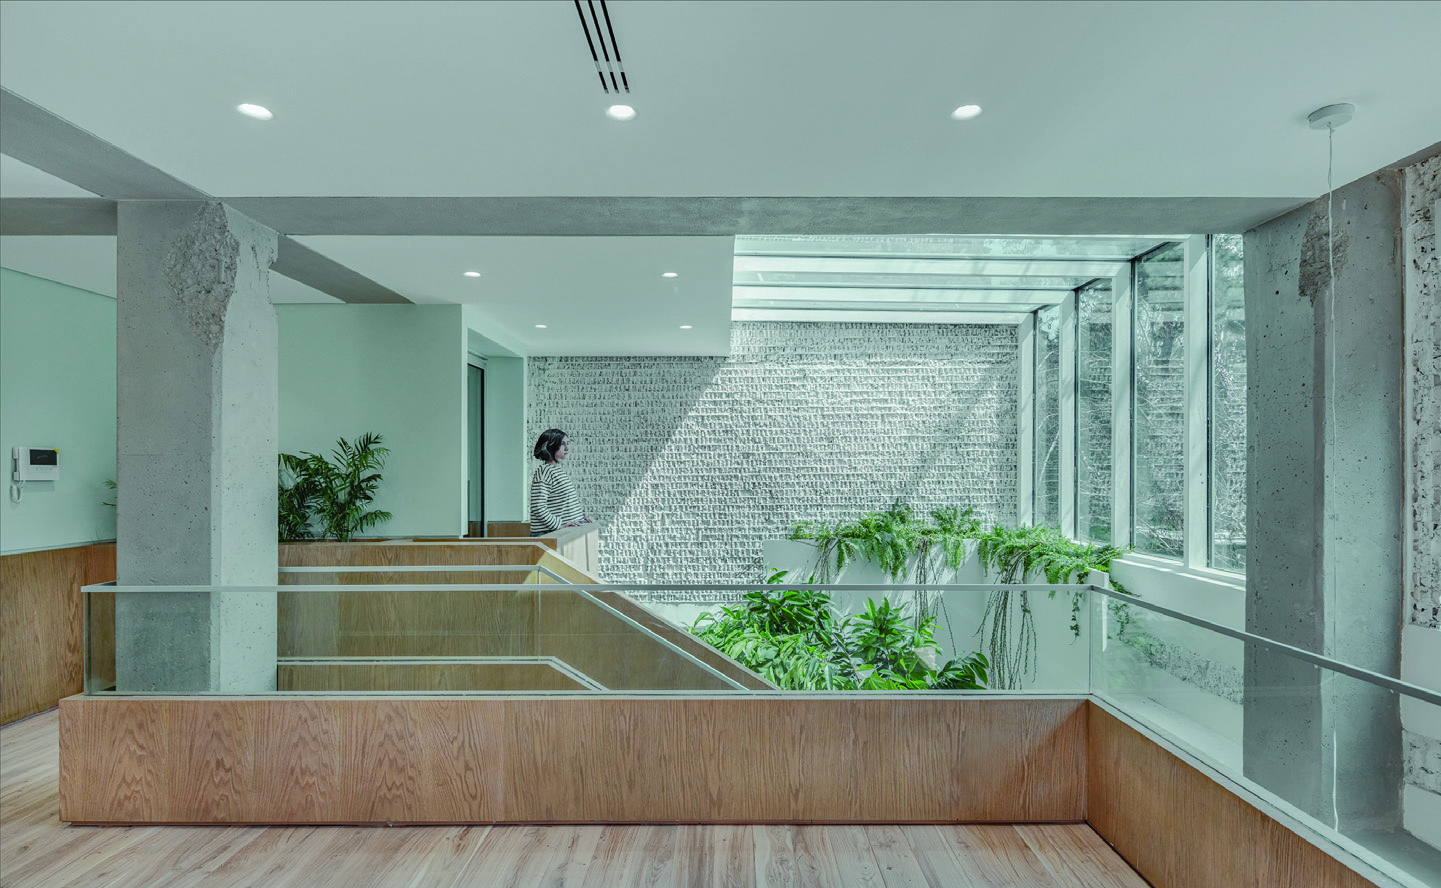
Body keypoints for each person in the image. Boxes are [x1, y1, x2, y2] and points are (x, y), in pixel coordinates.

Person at [529, 428, 591, 536]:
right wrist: (558, 525)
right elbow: (538, 506)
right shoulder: (545, 471)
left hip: (558, 534)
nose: (567, 448)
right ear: (550, 446)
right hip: (548, 534)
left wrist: (579, 518)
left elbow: (563, 503)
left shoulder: (556, 470)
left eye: (567, 443)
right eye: (562, 444)